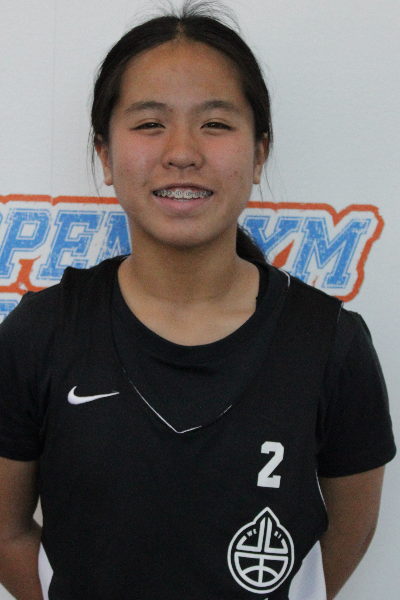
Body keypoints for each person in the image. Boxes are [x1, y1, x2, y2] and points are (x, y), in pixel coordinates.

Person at [0, 2, 396, 599]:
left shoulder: (330, 343)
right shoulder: (41, 333)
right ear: (105, 155)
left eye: (215, 123)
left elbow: (346, 531)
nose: (182, 151)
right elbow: (6, 531)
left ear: (259, 153)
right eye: (149, 123)